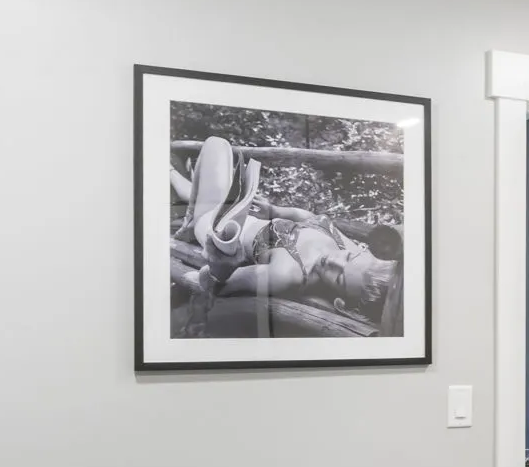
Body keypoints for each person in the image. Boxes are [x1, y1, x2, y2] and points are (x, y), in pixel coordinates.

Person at [171, 135, 401, 331]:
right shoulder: (347, 248)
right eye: (348, 257)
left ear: (340, 300)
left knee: (216, 150)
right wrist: (275, 210)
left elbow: (219, 282)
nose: (334, 260)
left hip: (217, 227)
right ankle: (175, 180)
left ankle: (178, 189)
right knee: (217, 159)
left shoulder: (288, 274)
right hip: (242, 211)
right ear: (360, 250)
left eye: (338, 278)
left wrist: (223, 264)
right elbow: (308, 217)